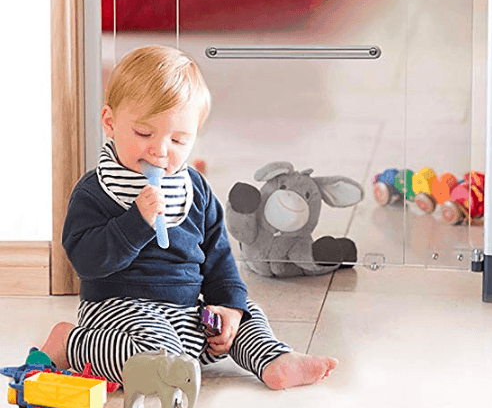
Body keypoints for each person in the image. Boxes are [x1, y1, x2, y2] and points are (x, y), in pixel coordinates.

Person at [41, 45, 338, 390]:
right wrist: (137, 221)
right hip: (120, 312)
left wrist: (228, 307)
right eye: (144, 133)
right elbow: (85, 260)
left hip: (187, 314)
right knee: (157, 352)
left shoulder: (194, 188)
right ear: (110, 123)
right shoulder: (96, 190)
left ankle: (274, 359)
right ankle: (70, 343)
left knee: (247, 313)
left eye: (179, 139)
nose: (161, 150)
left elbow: (218, 255)